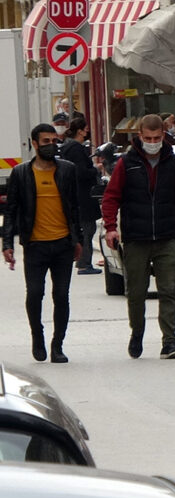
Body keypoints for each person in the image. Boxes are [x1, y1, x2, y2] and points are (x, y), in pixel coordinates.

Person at [100, 114, 175, 360]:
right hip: (136, 239)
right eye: (147, 138)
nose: (152, 142)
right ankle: (137, 333)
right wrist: (110, 227)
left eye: (157, 138)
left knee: (168, 290)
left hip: (166, 237)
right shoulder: (126, 163)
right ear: (139, 136)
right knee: (136, 292)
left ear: (163, 136)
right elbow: (111, 197)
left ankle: (170, 342)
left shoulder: (173, 162)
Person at [2, 123, 83, 363]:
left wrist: (77, 240)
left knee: (61, 295)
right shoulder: (21, 173)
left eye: (54, 141)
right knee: (35, 293)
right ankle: (37, 336)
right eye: (45, 142)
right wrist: (7, 243)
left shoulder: (67, 170)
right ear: (34, 144)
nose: (51, 146)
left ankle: (58, 345)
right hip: (35, 245)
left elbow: (74, 208)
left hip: (62, 245)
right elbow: (11, 210)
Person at [59, 114, 102, 276]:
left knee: (84, 228)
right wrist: (95, 169)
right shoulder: (76, 149)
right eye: (86, 130)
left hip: (76, 194)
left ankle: (82, 261)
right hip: (83, 195)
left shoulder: (67, 147)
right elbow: (81, 172)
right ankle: (84, 263)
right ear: (80, 131)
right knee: (88, 229)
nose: (87, 132)